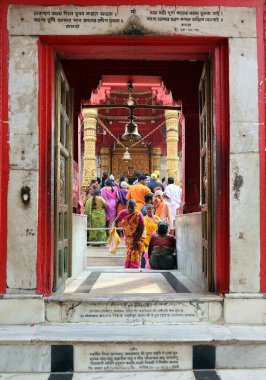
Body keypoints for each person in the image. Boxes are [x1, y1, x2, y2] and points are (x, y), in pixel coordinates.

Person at [114, 199, 145, 268]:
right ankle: (128, 267)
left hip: (137, 237)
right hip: (128, 238)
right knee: (129, 252)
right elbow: (115, 221)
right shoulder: (122, 213)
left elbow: (141, 228)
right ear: (127, 206)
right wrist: (113, 228)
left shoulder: (138, 215)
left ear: (135, 206)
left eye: (132, 207)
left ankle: (135, 267)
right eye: (129, 206)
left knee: (135, 253)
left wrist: (136, 241)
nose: (130, 208)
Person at [141, 204, 161, 268]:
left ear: (154, 210)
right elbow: (142, 230)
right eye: (148, 209)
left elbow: (160, 227)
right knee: (146, 255)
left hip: (155, 240)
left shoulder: (157, 218)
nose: (149, 210)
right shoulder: (144, 219)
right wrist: (143, 241)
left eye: (151, 209)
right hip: (146, 240)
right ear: (146, 210)